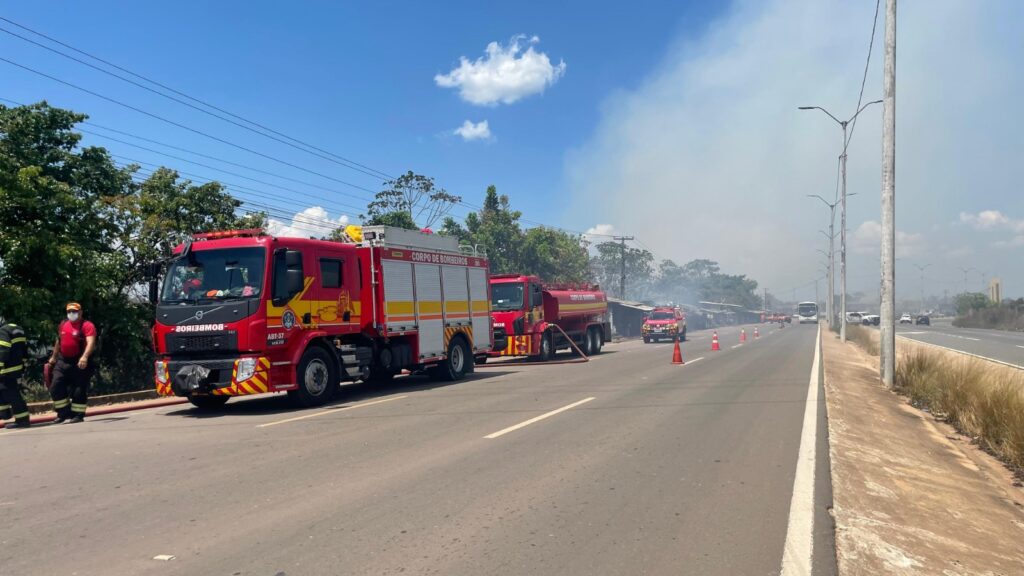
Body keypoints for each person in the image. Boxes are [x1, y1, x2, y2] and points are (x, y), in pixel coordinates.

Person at [47, 303, 97, 424]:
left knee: (78, 390)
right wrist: (53, 357)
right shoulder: (63, 324)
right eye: (69, 311)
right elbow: (59, 341)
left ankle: (78, 415)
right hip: (63, 361)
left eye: (74, 311)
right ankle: (63, 413)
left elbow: (91, 342)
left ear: (80, 312)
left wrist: (84, 357)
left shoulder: (87, 325)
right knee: (55, 386)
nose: (71, 314)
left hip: (79, 361)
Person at [0, 321, 30, 428]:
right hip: (15, 368)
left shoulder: (3, 331)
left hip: (6, 369)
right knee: (6, 391)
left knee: (12, 394)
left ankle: (22, 420)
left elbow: (3, 350)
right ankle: (4, 414)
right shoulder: (17, 329)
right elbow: (24, 349)